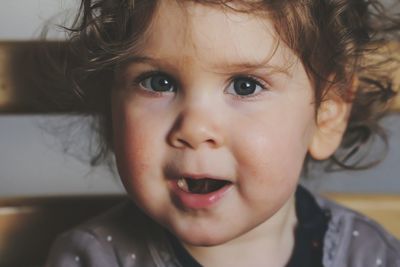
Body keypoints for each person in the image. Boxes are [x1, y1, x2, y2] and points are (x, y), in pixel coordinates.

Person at [46, 0, 400, 266]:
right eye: (158, 82)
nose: (195, 129)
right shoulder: (94, 258)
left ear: (327, 114)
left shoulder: (368, 257)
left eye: (245, 86)